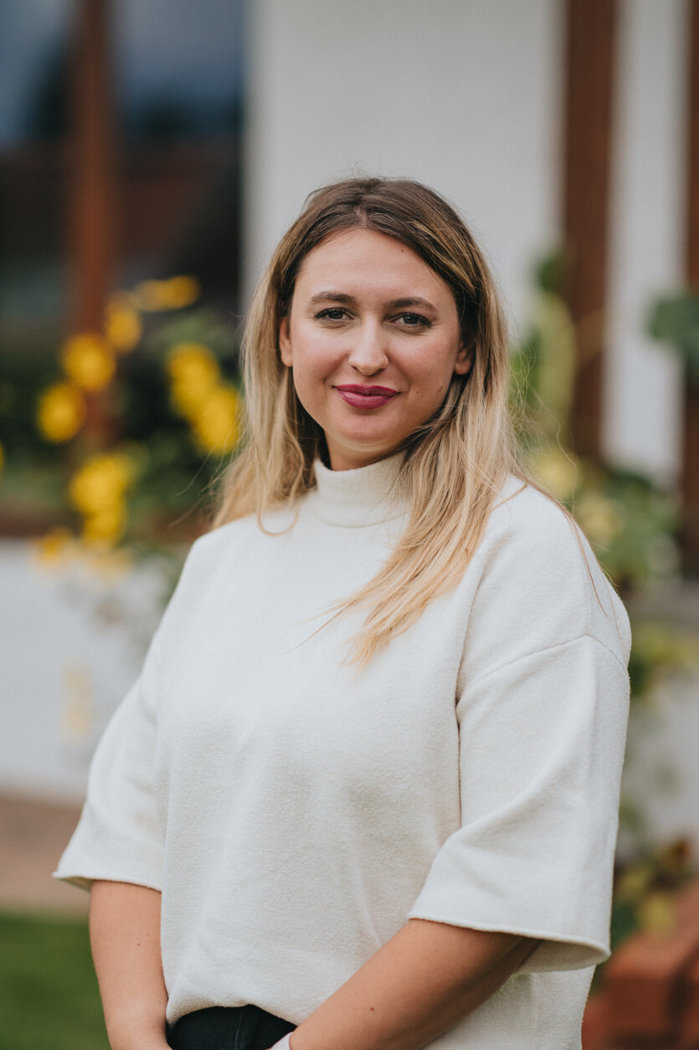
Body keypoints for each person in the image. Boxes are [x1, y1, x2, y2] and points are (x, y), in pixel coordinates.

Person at [56, 177, 631, 1050]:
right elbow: (131, 834)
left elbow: (513, 883)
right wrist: (137, 1035)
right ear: (285, 337)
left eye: (408, 319)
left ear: (465, 348)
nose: (367, 354)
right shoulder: (227, 558)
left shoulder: (522, 557)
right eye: (334, 314)